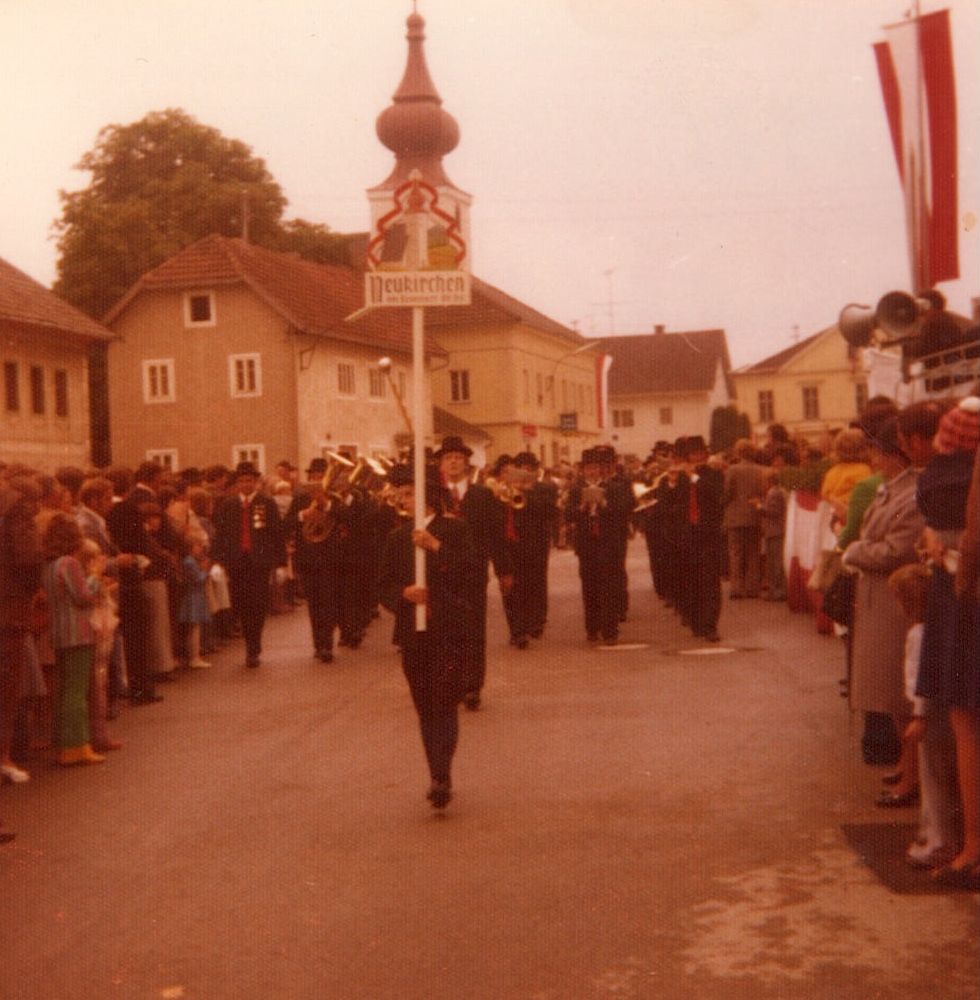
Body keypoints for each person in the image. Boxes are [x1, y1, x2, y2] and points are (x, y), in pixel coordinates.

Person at [379, 463, 482, 809]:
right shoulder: (396, 538)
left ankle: (442, 775)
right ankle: (434, 770)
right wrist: (403, 595)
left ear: (426, 494)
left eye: (408, 494)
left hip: (449, 629)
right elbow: (383, 585)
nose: (402, 500)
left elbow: (471, 571)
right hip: (413, 633)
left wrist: (436, 546)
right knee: (425, 707)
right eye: (399, 495)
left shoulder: (454, 529)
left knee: (444, 702)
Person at [841, 417, 924, 776]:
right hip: (880, 599)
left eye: (877, 452)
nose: (873, 459)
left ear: (895, 454)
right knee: (890, 692)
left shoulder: (910, 493)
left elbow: (895, 550)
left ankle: (910, 771)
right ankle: (908, 767)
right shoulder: (892, 488)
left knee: (898, 691)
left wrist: (855, 551)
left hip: (893, 602)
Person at [436, 436, 512, 709]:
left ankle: (472, 686)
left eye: (458, 457)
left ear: (467, 463)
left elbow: (496, 536)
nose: (453, 461)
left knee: (473, 630)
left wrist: (504, 571)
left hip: (473, 572)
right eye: (448, 457)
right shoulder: (434, 496)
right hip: (441, 574)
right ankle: (451, 683)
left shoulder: (482, 495)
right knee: (445, 632)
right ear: (441, 465)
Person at [41, 513, 106, 766]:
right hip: (78, 632)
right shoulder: (69, 563)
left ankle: (62, 745)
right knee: (77, 691)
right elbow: (84, 596)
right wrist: (96, 576)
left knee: (64, 689)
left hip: (59, 632)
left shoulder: (49, 565)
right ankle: (77, 745)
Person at [211, 462, 286, 668]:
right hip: (237, 562)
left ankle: (254, 647)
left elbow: (276, 534)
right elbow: (221, 536)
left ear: (256, 482)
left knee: (258, 604)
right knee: (241, 604)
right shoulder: (228, 505)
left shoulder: (266, 503)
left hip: (259, 563)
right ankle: (249, 641)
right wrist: (217, 561)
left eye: (250, 480)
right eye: (242, 481)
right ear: (237, 483)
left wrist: (280, 564)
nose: (246, 484)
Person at [565, 446, 634, 644]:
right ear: (583, 470)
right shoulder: (577, 490)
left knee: (609, 586)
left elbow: (625, 509)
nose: (593, 472)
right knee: (590, 586)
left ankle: (610, 630)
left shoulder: (613, 487)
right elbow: (568, 515)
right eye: (588, 469)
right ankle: (592, 628)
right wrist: (581, 508)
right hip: (587, 545)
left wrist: (604, 505)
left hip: (609, 543)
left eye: (595, 468)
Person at [0, 474, 44, 785]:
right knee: (7, 686)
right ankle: (4, 758)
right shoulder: (15, 507)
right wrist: (30, 590)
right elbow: (28, 557)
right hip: (9, 606)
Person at [285, 458, 347, 663]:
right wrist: (303, 515)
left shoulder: (334, 498)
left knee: (329, 601)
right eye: (313, 476)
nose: (315, 479)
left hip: (330, 558)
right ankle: (318, 644)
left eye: (320, 476)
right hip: (307, 558)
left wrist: (326, 505)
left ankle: (327, 645)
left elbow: (347, 517)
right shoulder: (301, 499)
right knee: (314, 603)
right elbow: (286, 524)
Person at [498, 451, 558, 649]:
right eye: (520, 469)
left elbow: (551, 512)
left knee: (536, 583)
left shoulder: (545, 488)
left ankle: (536, 621)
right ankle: (517, 630)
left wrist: (528, 492)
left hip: (536, 544)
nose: (524, 472)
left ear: (534, 471)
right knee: (512, 586)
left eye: (528, 469)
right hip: (511, 544)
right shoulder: (503, 490)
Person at [677, 436, 725, 642]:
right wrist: (671, 484)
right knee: (691, 580)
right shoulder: (680, 477)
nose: (696, 458)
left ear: (704, 455)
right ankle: (696, 622)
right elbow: (673, 503)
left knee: (710, 581)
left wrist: (695, 478)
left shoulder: (713, 474)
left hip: (708, 533)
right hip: (687, 534)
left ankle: (711, 625)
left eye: (699, 454)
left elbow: (715, 495)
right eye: (692, 455)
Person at [722, 439, 765, 599]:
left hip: (735, 515)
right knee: (753, 552)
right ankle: (753, 587)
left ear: (738, 453)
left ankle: (737, 588)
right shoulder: (761, 470)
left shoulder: (732, 470)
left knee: (735, 552)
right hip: (754, 514)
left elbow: (727, 492)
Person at [179, 539, 212, 669]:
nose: (200, 549)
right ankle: (194, 657)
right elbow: (198, 579)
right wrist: (205, 570)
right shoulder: (190, 562)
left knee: (194, 627)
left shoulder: (190, 561)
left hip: (194, 595)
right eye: (197, 545)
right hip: (193, 595)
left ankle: (194, 656)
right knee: (194, 627)